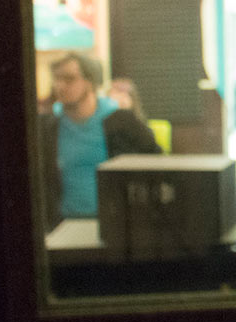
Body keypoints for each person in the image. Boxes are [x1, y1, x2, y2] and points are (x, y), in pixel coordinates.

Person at [39, 53, 160, 228]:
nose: (60, 86)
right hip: (64, 223)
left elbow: (155, 160)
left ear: (90, 81)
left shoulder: (122, 121)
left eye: (69, 79)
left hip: (114, 224)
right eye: (56, 79)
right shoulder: (48, 127)